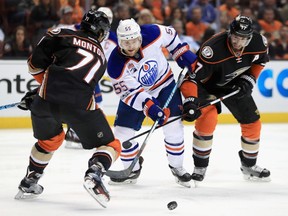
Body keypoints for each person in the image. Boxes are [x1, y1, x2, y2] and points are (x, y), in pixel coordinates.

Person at [14, 10, 121, 208]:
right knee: (112, 145)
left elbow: (34, 65)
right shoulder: (101, 57)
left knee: (49, 141)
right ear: (101, 32)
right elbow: (80, 84)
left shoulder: (61, 34)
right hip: (79, 105)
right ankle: (95, 173)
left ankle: (30, 180)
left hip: (45, 101)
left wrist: (42, 90)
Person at [106, 18, 198, 187]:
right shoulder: (115, 64)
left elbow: (170, 36)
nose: (131, 45)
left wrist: (180, 52)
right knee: (121, 134)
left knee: (173, 127)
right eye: (126, 43)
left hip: (164, 85)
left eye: (134, 40)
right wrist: (149, 106)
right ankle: (132, 169)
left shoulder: (152, 32)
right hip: (138, 93)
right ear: (119, 42)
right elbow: (129, 92)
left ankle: (177, 167)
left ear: (139, 37)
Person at [180, 15, 271, 183]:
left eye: (243, 38)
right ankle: (200, 167)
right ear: (229, 33)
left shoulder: (259, 43)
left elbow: (261, 61)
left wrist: (249, 79)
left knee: (252, 122)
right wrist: (190, 100)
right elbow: (190, 78)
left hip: (233, 84)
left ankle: (249, 166)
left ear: (249, 37)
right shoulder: (212, 49)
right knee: (208, 118)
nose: (238, 42)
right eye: (236, 37)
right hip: (205, 85)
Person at [64, 7, 118, 149]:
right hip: (82, 71)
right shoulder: (81, 29)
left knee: (94, 101)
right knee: (87, 102)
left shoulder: (113, 38)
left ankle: (76, 131)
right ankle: (77, 131)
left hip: (91, 72)